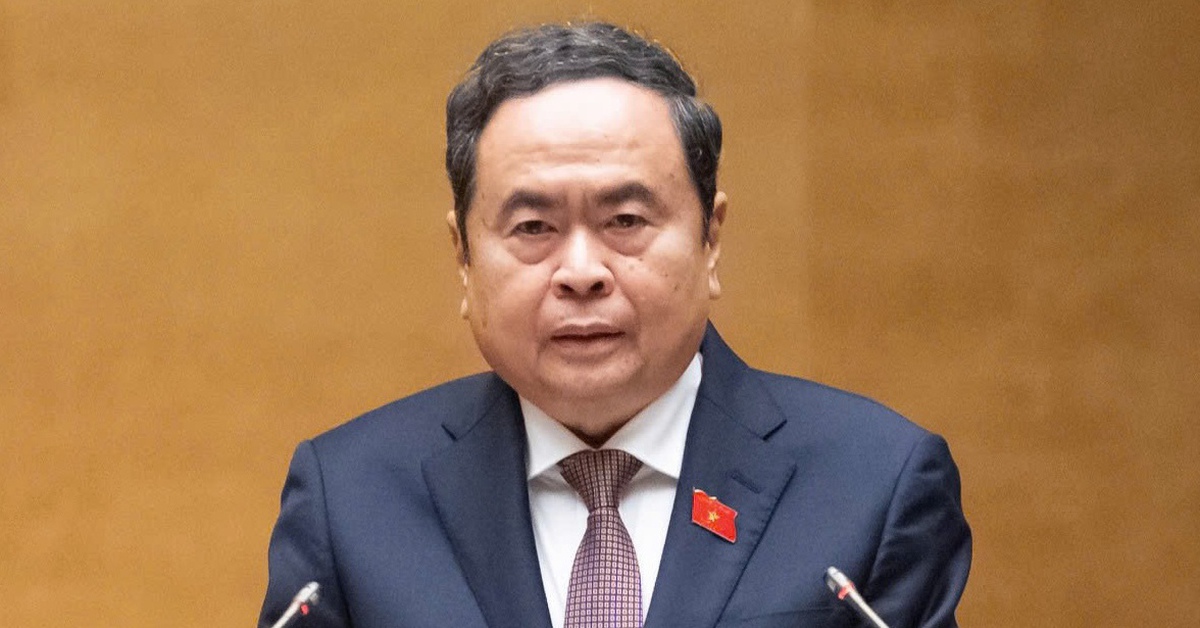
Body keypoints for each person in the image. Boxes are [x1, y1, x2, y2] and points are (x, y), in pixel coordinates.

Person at [259, 21, 971, 628]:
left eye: (625, 220)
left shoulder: (874, 485)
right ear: (464, 258)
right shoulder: (351, 500)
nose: (581, 271)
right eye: (533, 227)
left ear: (711, 240)